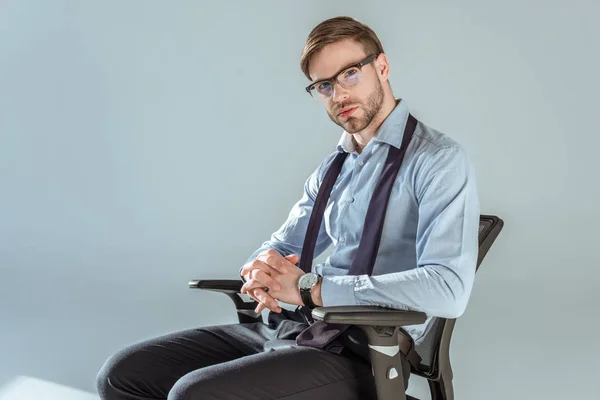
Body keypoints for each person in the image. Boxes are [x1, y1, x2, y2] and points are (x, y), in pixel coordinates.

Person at [96, 16, 480, 400]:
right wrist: (260, 269)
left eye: (350, 74)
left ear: (381, 66)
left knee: (193, 395)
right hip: (293, 327)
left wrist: (312, 289)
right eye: (324, 86)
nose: (339, 95)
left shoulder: (437, 161)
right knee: (122, 375)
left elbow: (448, 288)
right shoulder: (333, 167)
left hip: (365, 349)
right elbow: (281, 246)